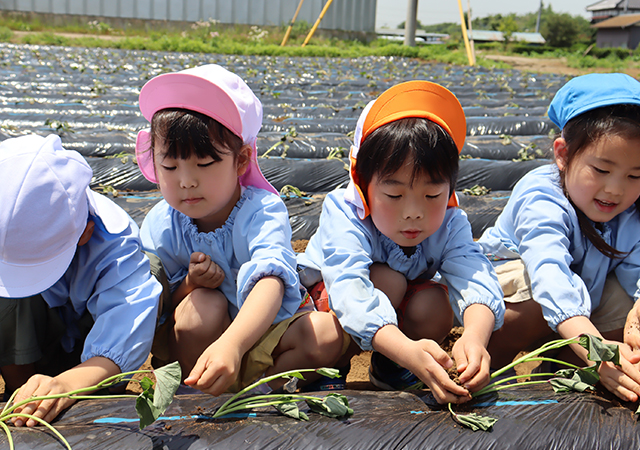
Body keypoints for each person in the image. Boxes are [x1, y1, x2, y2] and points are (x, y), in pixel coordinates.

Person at [135, 64, 345, 395]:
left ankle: (253, 392)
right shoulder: (163, 224)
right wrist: (190, 284)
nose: (186, 181)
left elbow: (270, 280)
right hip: (194, 352)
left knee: (327, 334)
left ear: (242, 160)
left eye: (204, 164)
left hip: (258, 338)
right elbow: (157, 304)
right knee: (201, 308)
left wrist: (232, 344)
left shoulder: (261, 211)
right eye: (170, 166)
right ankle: (203, 391)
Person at [297, 80, 505, 404]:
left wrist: (475, 338)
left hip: (393, 307)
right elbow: (348, 286)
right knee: (387, 282)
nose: (413, 213)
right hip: (327, 300)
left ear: (450, 189)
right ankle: (334, 365)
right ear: (363, 184)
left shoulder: (451, 221)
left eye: (431, 195)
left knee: (435, 305)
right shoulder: (344, 211)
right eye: (394, 194)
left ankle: (391, 365)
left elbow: (473, 272)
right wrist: (408, 348)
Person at [478, 73, 640, 402]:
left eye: (635, 175)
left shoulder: (630, 212)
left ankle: (561, 370)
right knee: (536, 297)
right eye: (601, 170)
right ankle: (489, 365)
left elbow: (636, 272)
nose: (615, 189)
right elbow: (550, 275)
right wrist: (599, 352)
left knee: (626, 304)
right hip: (510, 295)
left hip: (574, 308)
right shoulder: (542, 197)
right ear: (563, 154)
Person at [0, 134, 162, 426]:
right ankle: (22, 395)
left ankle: (83, 397)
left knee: (153, 272)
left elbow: (124, 332)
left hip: (91, 364)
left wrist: (65, 387)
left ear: (85, 232)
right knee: (8, 300)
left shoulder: (116, 250)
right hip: (38, 348)